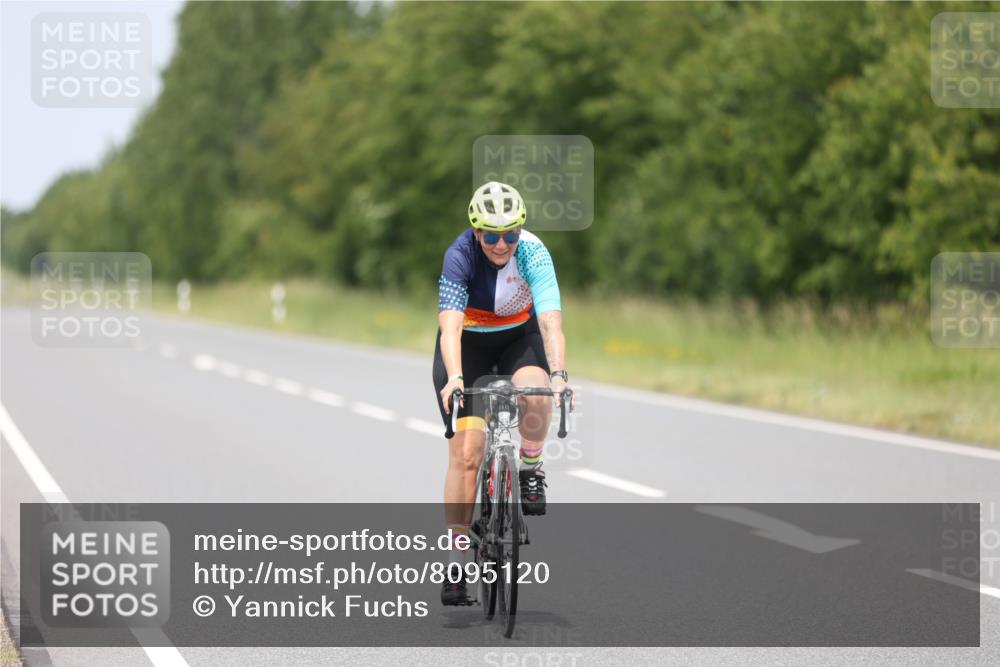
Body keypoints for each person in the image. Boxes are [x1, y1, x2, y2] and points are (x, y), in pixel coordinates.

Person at [432, 182, 571, 606]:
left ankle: (529, 467)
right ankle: (456, 562)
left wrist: (559, 374)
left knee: (538, 393)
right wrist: (456, 377)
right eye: (491, 235)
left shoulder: (533, 253)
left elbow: (550, 322)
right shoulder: (460, 256)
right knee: (467, 454)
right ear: (476, 231)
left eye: (510, 234)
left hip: (517, 339)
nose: (501, 244)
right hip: (469, 347)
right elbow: (450, 328)